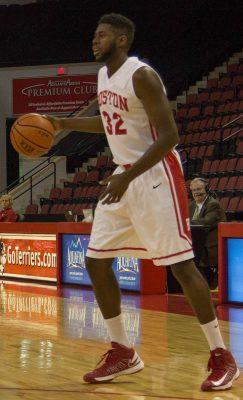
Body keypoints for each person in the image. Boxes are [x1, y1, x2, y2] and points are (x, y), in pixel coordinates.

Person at [47, 13, 239, 391]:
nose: (94, 40)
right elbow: (109, 123)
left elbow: (169, 136)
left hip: (154, 176)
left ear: (122, 40)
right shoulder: (104, 77)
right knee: (95, 261)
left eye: (101, 35)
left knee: (182, 266)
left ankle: (222, 356)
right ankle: (123, 351)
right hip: (124, 176)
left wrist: (128, 176)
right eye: (94, 34)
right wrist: (63, 123)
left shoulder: (142, 75)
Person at [189, 178, 227, 289]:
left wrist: (185, 222)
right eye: (194, 190)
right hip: (197, 243)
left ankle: (206, 285)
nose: (196, 192)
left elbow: (206, 223)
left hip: (210, 245)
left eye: (199, 189)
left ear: (206, 189)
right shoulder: (191, 206)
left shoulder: (213, 204)